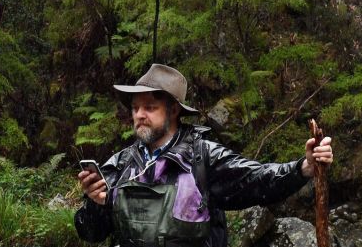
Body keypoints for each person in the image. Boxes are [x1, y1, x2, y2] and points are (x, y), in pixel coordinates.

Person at [75, 64, 334, 247]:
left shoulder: (203, 158)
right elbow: (90, 232)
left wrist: (304, 167)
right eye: (135, 108)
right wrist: (95, 205)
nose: (139, 115)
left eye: (150, 107)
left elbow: (258, 180)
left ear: (174, 110)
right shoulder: (120, 165)